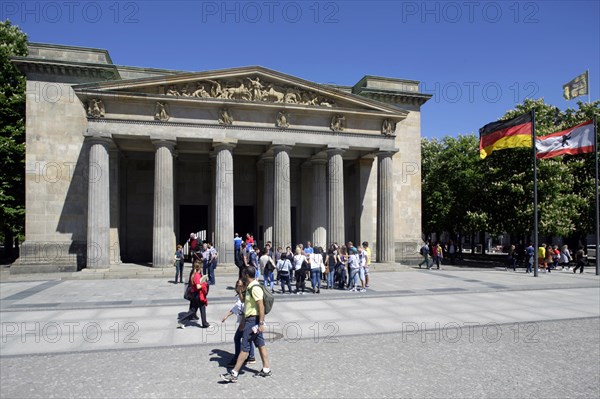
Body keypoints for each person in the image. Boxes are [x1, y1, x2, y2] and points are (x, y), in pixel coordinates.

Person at [221, 266, 272, 382]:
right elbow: (247, 304)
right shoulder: (250, 287)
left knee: (245, 347)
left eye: (244, 274)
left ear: (247, 275)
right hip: (251, 320)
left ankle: (234, 373)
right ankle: (266, 369)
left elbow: (261, 306)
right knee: (260, 344)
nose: (242, 276)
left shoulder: (255, 288)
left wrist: (261, 323)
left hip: (253, 320)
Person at [221, 280, 255, 367]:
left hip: (246, 321)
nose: (238, 287)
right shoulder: (240, 295)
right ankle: (251, 357)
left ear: (244, 286)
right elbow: (236, 308)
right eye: (237, 285)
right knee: (248, 338)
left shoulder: (245, 295)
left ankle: (237, 358)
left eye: (240, 286)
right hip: (245, 321)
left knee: (237, 338)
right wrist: (226, 315)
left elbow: (244, 309)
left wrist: (243, 323)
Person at [178, 262, 210, 328]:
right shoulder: (197, 275)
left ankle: (182, 320)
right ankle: (204, 323)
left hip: (195, 295)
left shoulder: (194, 274)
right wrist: (204, 284)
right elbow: (198, 286)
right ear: (200, 268)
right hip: (198, 295)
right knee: (201, 308)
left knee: (193, 310)